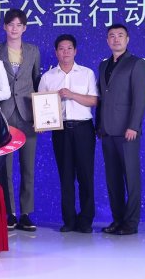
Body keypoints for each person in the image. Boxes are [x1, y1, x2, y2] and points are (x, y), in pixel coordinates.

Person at [38, 34, 98, 233]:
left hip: (83, 129)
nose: (65, 52)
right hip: (61, 131)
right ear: (56, 52)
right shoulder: (48, 77)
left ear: (75, 51)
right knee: (65, 176)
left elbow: (94, 100)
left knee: (85, 176)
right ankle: (69, 220)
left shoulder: (87, 73)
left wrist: (71, 95)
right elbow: (41, 105)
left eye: (69, 48)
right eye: (61, 49)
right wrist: (41, 121)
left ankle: (86, 220)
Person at [0, 8, 41, 231]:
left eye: (19, 25)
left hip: (28, 116)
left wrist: (40, 116)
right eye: (10, 25)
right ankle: (9, 213)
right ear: (4, 27)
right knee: (6, 170)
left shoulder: (33, 51)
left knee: (28, 168)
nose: (14, 29)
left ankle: (26, 213)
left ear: (24, 28)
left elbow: (36, 82)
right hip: (5, 115)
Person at [96, 24, 145, 236]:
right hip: (107, 131)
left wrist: (134, 126)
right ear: (107, 40)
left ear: (127, 39)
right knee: (113, 180)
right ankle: (117, 220)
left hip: (127, 132)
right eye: (112, 36)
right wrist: (99, 125)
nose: (116, 39)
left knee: (131, 179)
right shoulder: (103, 65)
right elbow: (102, 98)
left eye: (120, 35)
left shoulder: (136, 63)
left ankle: (131, 223)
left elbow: (140, 98)